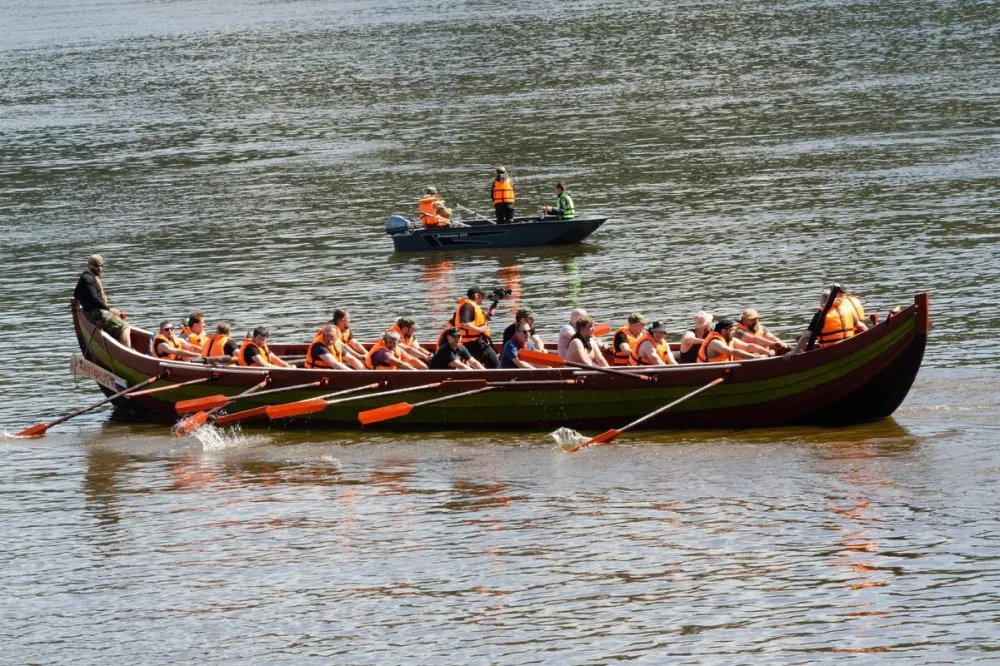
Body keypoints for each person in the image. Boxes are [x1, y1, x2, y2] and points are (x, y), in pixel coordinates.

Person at [785, 287, 869, 356]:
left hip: (831, 351)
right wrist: (869, 340)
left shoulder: (820, 314)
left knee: (801, 339)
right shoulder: (847, 308)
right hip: (849, 345)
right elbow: (861, 326)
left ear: (822, 301)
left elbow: (807, 335)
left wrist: (794, 351)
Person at [73, 254, 131, 347]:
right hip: (95, 313)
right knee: (125, 327)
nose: (99, 268)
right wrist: (110, 310)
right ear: (90, 265)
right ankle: (128, 355)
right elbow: (94, 298)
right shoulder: (87, 278)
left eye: (101, 266)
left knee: (120, 321)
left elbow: (76, 294)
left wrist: (85, 303)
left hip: (92, 311)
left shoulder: (85, 277)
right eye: (96, 266)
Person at [453, 286, 499, 368]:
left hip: (476, 342)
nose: (483, 298)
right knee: (496, 365)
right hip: (474, 344)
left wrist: (495, 304)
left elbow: (482, 319)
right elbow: (463, 323)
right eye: (482, 296)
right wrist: (480, 329)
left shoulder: (471, 306)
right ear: (477, 295)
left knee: (487, 364)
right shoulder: (467, 305)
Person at [697, 320, 764, 363]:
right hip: (709, 372)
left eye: (734, 329)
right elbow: (733, 352)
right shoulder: (715, 342)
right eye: (731, 330)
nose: (734, 332)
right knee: (743, 356)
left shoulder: (730, 339)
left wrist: (767, 352)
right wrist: (755, 357)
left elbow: (748, 346)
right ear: (723, 331)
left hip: (724, 370)